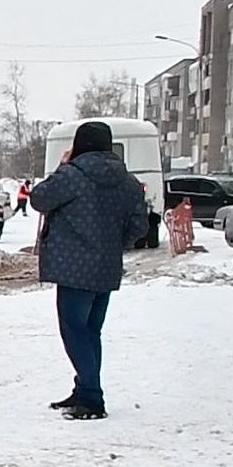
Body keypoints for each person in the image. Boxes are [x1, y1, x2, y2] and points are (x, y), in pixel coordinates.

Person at [28, 121, 149, 421]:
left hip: (73, 268)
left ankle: (92, 398)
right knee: (91, 330)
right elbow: (139, 227)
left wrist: (61, 166)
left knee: (74, 330)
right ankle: (84, 389)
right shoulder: (129, 183)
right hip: (106, 268)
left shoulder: (72, 176)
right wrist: (111, 244)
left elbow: (39, 199)